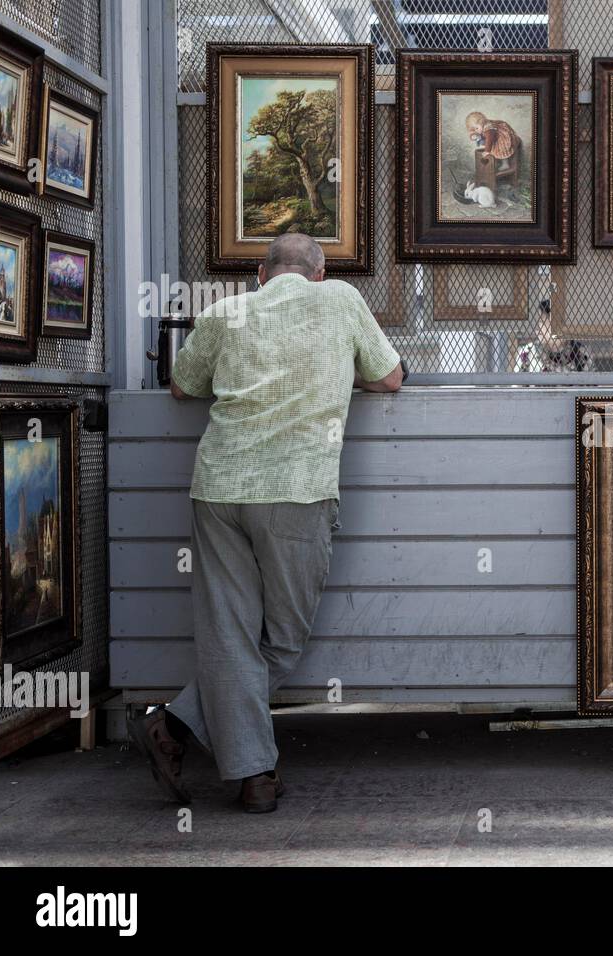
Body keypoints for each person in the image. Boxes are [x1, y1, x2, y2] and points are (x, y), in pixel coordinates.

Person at [128, 233, 403, 814]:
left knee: (231, 637)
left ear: (260, 272)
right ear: (320, 273)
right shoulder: (342, 301)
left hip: (219, 489)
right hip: (296, 493)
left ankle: (186, 738)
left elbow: (181, 386)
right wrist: (333, 373)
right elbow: (390, 377)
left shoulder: (226, 311)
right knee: (282, 639)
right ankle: (238, 767)